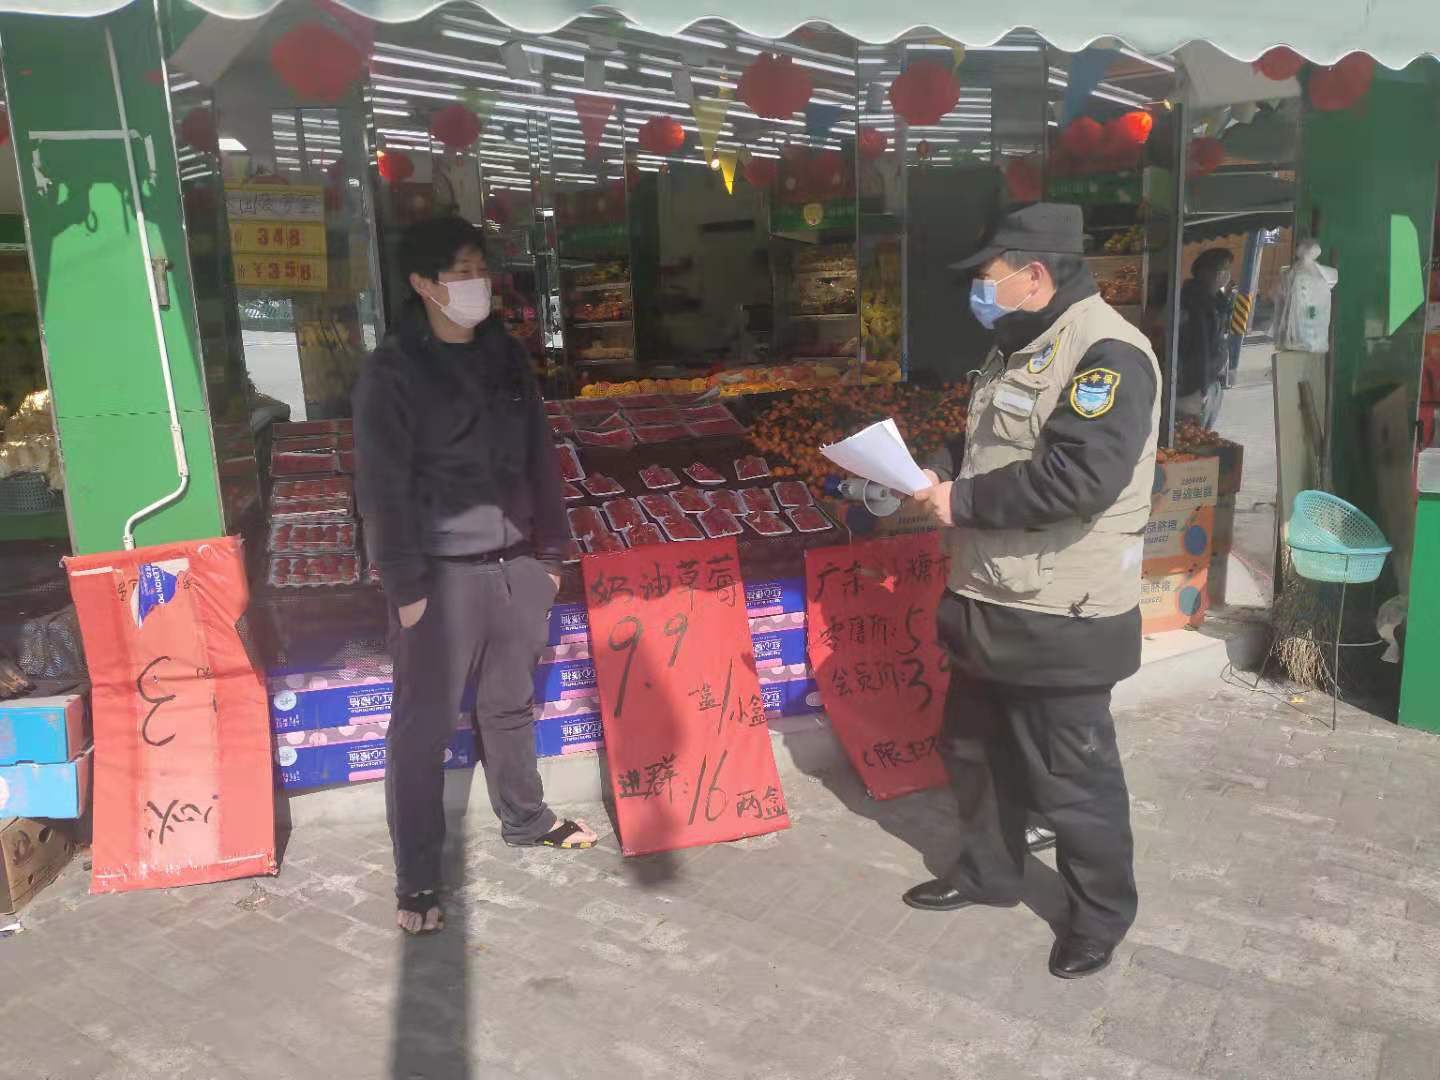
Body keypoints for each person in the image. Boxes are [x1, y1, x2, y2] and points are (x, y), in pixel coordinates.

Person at [908, 203, 1158, 980]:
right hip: (988, 596)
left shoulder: (1108, 355)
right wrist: (938, 468)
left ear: (1035, 275)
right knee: (975, 753)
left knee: (1073, 780)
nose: (979, 293)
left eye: (988, 277)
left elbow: (1077, 479)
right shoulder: (1017, 344)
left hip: (1061, 613)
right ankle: (988, 873)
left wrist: (962, 501)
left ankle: (1098, 918)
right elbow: (987, 441)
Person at [354, 216, 597, 936]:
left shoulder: (504, 356)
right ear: (424, 284)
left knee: (509, 704)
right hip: (439, 576)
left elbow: (540, 456)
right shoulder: (393, 371)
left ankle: (527, 818)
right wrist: (405, 587)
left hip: (515, 563)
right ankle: (418, 879)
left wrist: (549, 559)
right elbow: (382, 487)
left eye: (481, 270)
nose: (477, 284)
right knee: (422, 729)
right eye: (461, 272)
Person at [1175, 248, 1234, 427]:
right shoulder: (1194, 303)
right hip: (1193, 386)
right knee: (1191, 433)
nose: (1225, 275)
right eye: (1221, 269)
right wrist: (1199, 389)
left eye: (1227, 269)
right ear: (1205, 272)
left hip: (1210, 380)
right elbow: (1198, 350)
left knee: (1203, 432)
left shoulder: (1216, 301)